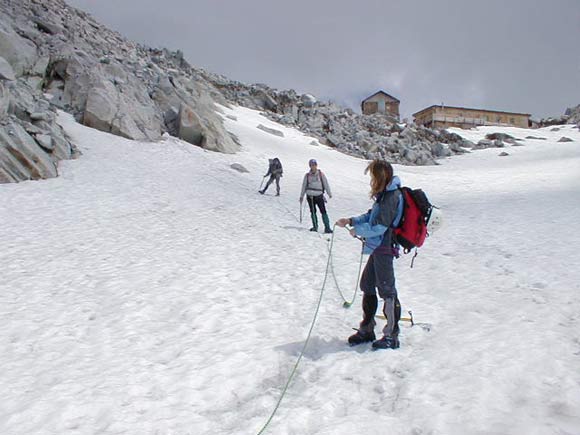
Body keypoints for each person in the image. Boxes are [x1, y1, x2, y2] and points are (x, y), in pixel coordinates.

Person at [335, 159, 404, 350]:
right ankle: (367, 329)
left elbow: (380, 227)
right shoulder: (384, 195)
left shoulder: (392, 197)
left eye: (373, 175)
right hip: (377, 248)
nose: (372, 180)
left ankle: (391, 335)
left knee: (387, 290)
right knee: (367, 284)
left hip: (384, 247)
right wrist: (351, 220)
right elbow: (370, 216)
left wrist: (358, 231)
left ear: (381, 176)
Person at [299, 159, 333, 234]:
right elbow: (304, 186)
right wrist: (301, 196)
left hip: (319, 195)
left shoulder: (321, 174)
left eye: (314, 165)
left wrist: (329, 193)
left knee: (323, 211)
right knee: (313, 211)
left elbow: (325, 183)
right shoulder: (307, 176)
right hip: (310, 196)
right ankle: (315, 226)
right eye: (311, 165)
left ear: (316, 165)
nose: (313, 166)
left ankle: (327, 227)